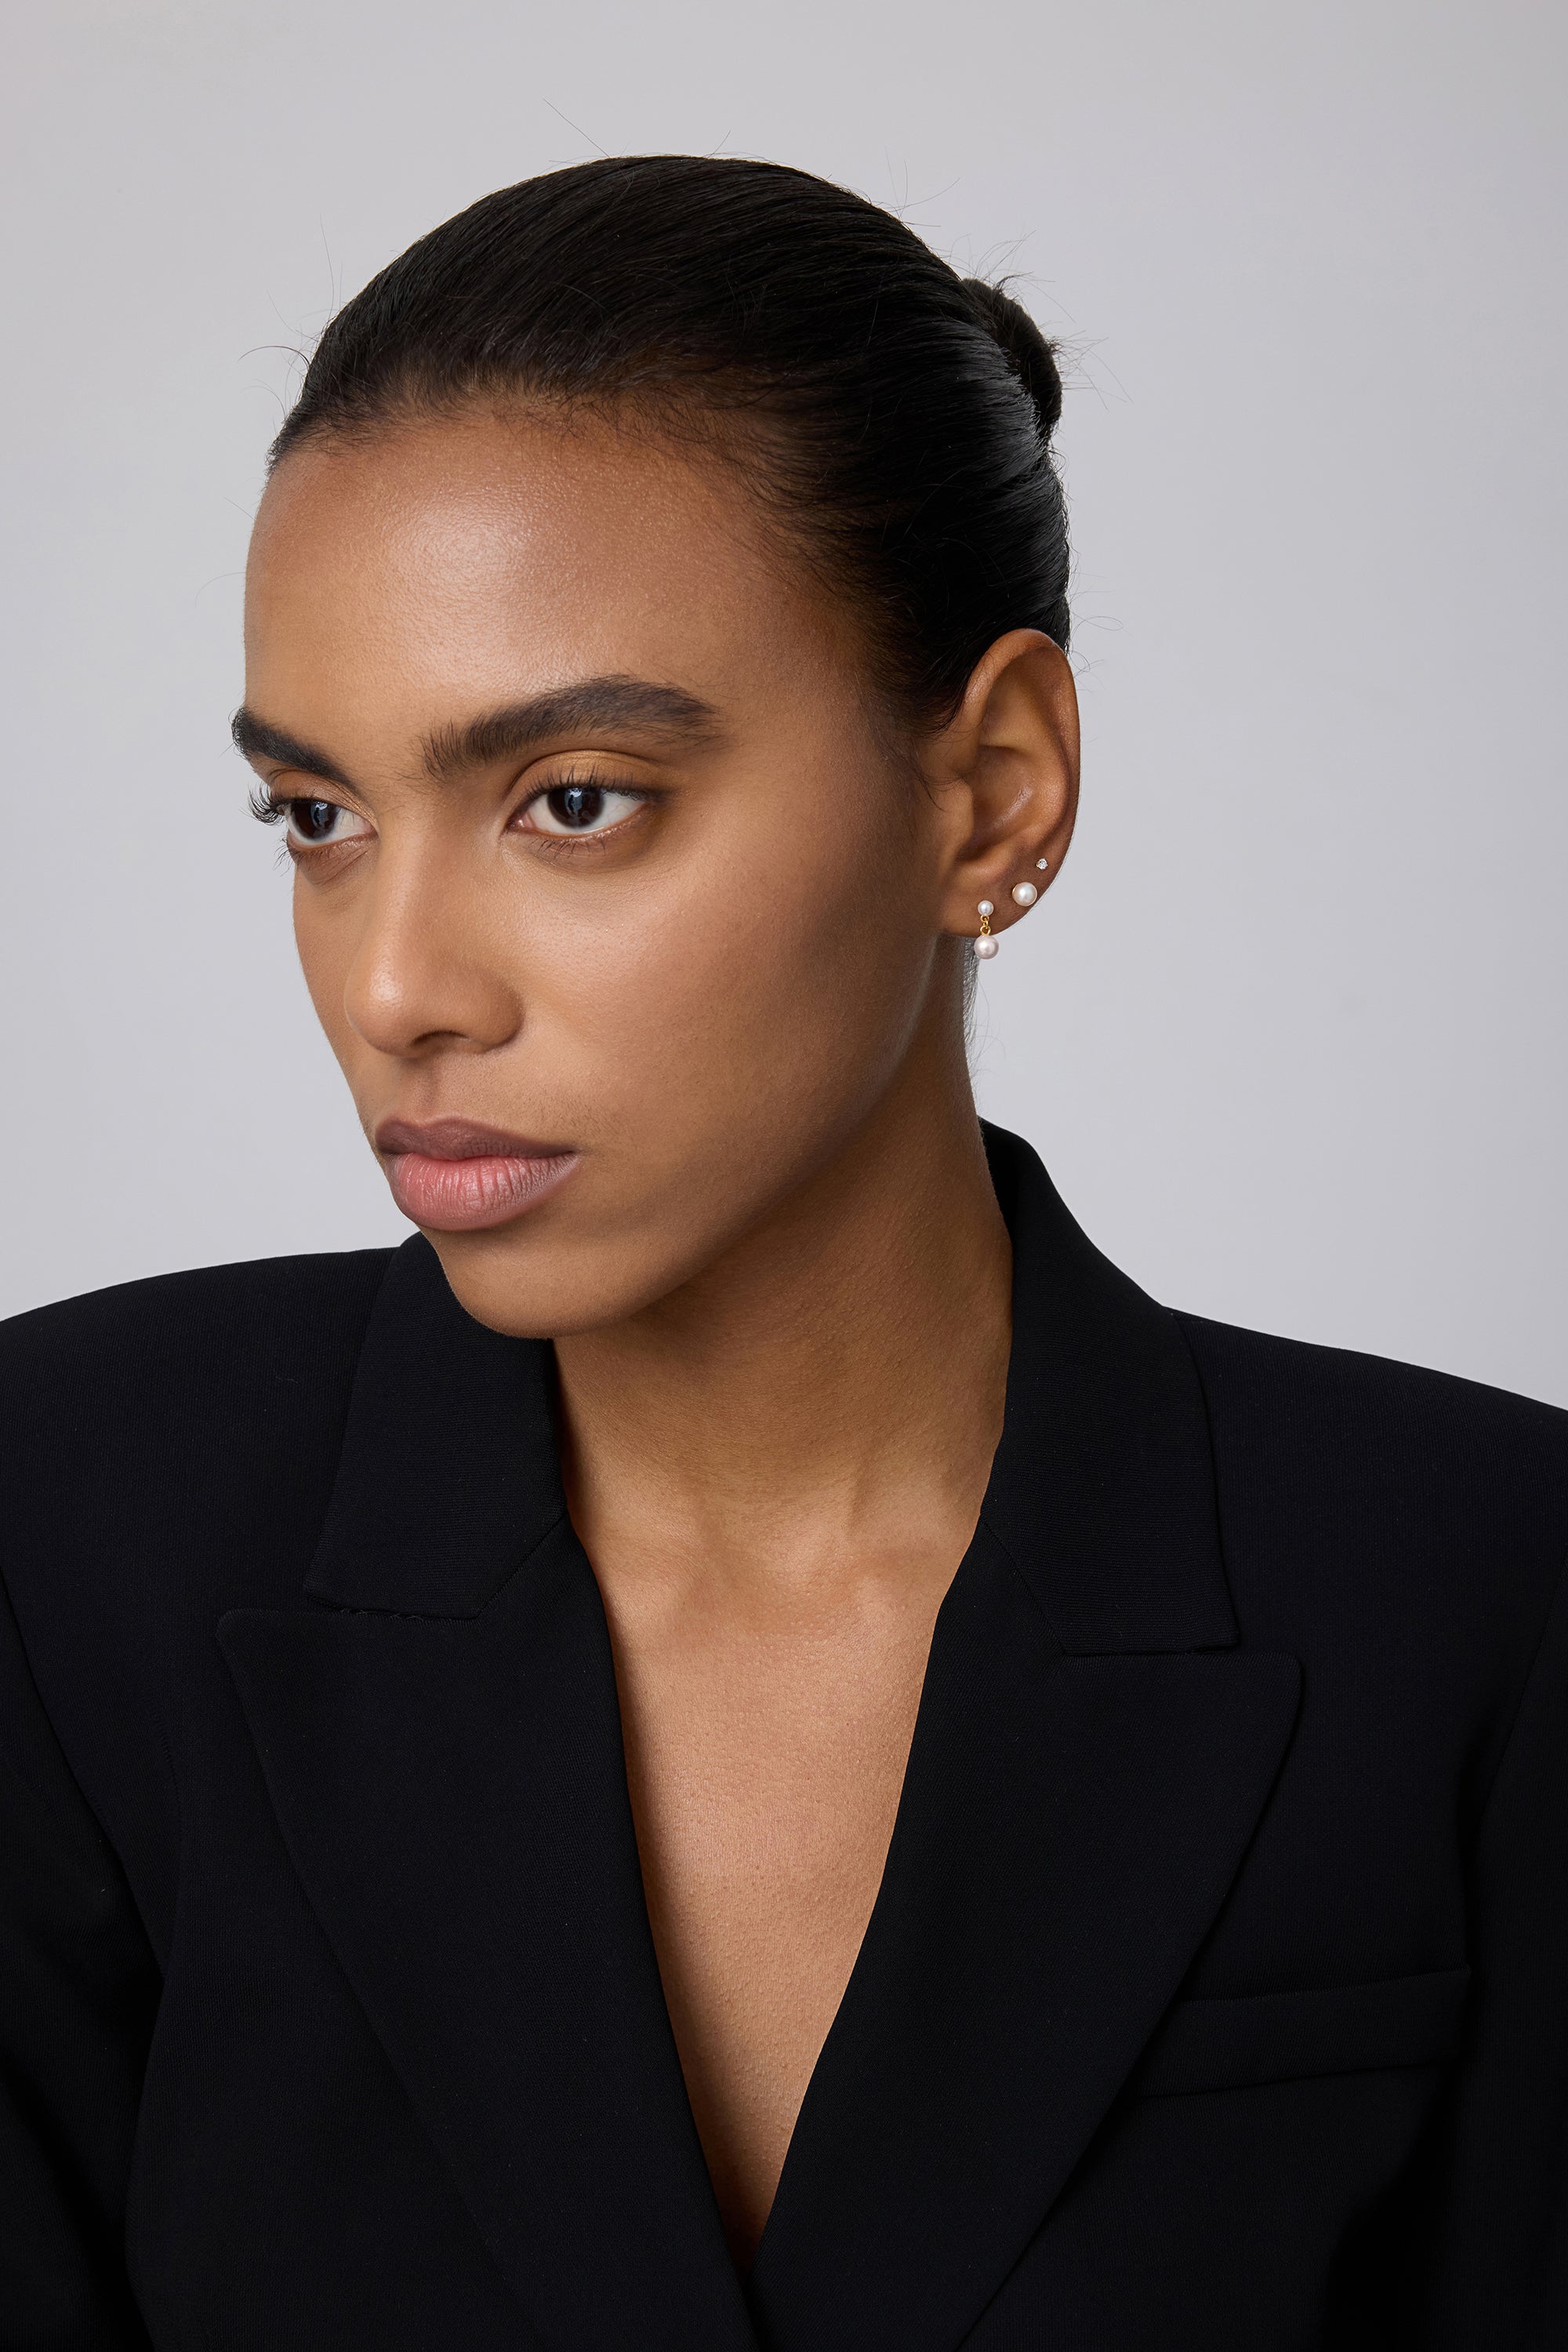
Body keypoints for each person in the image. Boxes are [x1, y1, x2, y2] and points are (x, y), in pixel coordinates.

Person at [1, 154, 1563, 2352]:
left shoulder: (1486, 1593)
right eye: (319, 816)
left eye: (574, 799)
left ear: (996, 789)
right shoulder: (67, 1535)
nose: (396, 986)